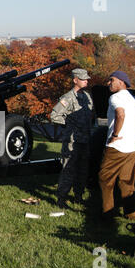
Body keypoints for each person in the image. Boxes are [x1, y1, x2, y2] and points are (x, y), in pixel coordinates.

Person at [98, 71, 135, 222]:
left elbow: (120, 114)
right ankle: (132, 213)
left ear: (121, 82)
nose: (108, 83)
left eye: (111, 80)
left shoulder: (115, 97)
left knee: (105, 178)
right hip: (133, 146)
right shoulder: (131, 99)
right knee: (126, 180)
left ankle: (108, 213)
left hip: (117, 146)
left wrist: (115, 135)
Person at [50, 68, 94, 209]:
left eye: (86, 79)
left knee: (83, 169)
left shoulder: (87, 97)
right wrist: (69, 123)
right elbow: (54, 116)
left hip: (85, 140)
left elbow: (91, 116)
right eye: (83, 79)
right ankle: (61, 197)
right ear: (75, 80)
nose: (86, 81)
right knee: (68, 169)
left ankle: (78, 195)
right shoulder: (67, 98)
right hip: (72, 141)